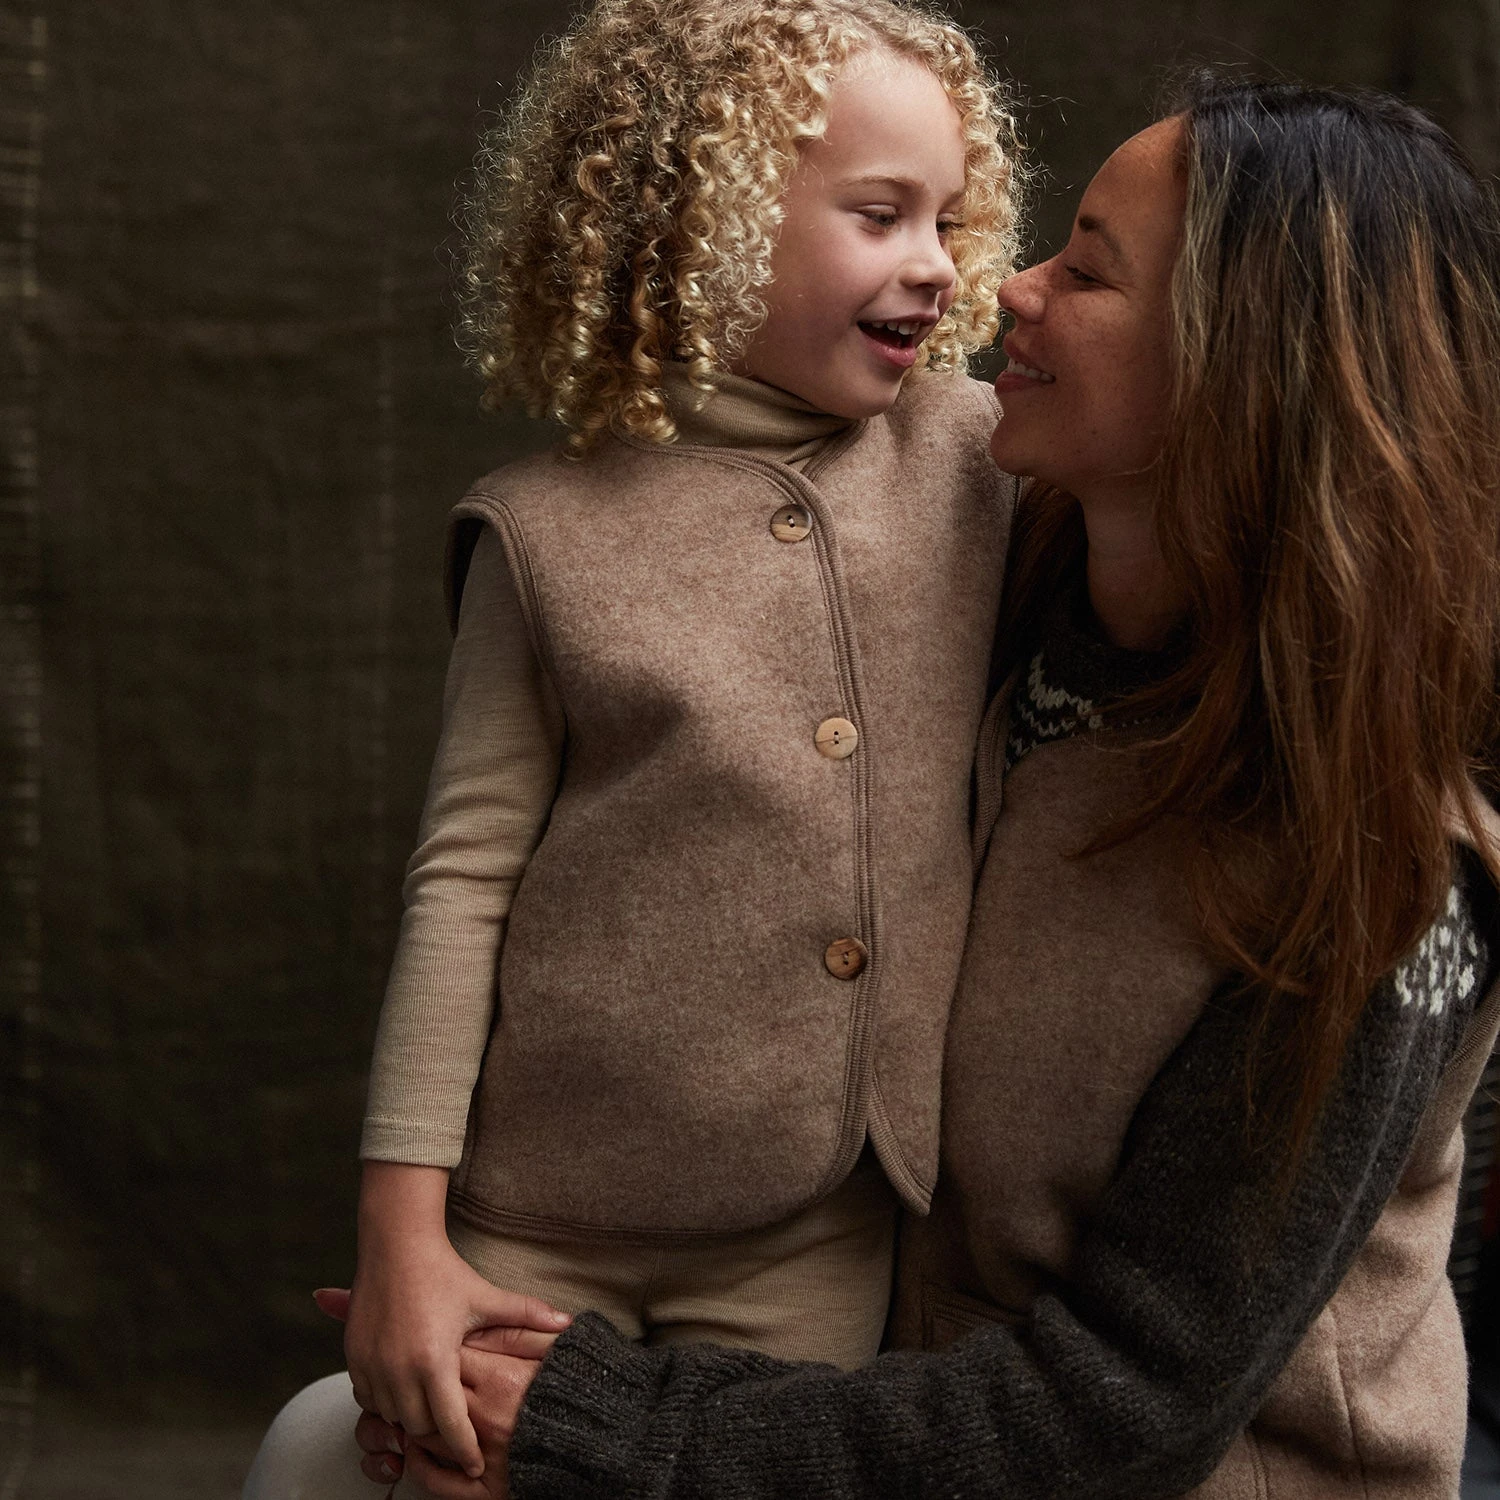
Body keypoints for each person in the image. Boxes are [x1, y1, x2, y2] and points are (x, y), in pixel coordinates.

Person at [349, 76, 1500, 1500]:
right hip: (873, 1419)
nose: (1004, 287)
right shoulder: (1002, 607)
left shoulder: (1388, 879)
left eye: (1087, 271)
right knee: (332, 1450)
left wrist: (610, 1426)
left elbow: (1124, 1415)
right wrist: (422, 1238)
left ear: (1245, 365)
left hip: (1158, 1475)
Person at [243, 0, 1024, 1491]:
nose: (934, 261)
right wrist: (403, 1236)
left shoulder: (979, 460)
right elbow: (463, 880)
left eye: (948, 216)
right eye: (879, 215)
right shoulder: (544, 529)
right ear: (699, 225)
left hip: (819, 1221)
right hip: (538, 1216)